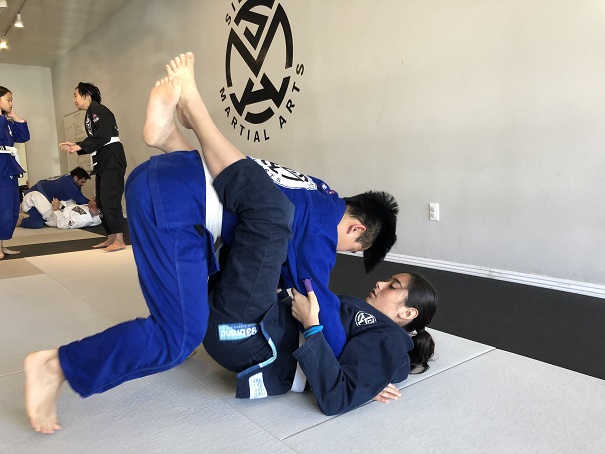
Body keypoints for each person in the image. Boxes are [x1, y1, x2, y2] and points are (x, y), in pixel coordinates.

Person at [23, 53, 412, 434]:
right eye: (351, 248)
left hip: (177, 190)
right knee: (176, 338)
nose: (339, 252)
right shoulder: (322, 228)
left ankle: (169, 136)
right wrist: (347, 362)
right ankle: (56, 366)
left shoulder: (315, 191)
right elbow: (318, 299)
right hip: (171, 200)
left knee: (235, 232)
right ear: (358, 229)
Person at [59, 83, 127, 252]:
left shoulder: (99, 110)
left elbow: (103, 135)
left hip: (112, 158)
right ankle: (111, 237)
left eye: (76, 95)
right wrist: (77, 145)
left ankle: (119, 239)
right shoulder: (91, 113)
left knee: (110, 199)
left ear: (87, 94)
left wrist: (78, 147)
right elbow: (98, 138)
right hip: (104, 160)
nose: (74, 99)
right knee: (102, 201)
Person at [0, 86, 29, 260]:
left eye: (11, 100)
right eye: (8, 99)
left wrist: (15, 117)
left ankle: (2, 245)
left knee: (11, 208)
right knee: (2, 207)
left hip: (9, 167)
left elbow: (24, 137)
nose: (11, 103)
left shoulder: (7, 123)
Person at [20, 167, 91, 229]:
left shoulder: (68, 178)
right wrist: (97, 204)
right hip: (33, 198)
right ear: (75, 178)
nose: (83, 184)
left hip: (41, 191)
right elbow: (82, 200)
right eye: (82, 182)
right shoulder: (69, 185)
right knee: (37, 223)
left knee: (49, 218)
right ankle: (20, 221)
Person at [19, 191, 101, 229]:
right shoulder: (92, 211)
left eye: (92, 198)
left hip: (54, 216)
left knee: (34, 195)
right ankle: (25, 210)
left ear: (94, 204)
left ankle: (23, 210)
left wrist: (56, 209)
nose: (90, 199)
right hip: (64, 207)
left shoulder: (83, 219)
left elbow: (63, 224)